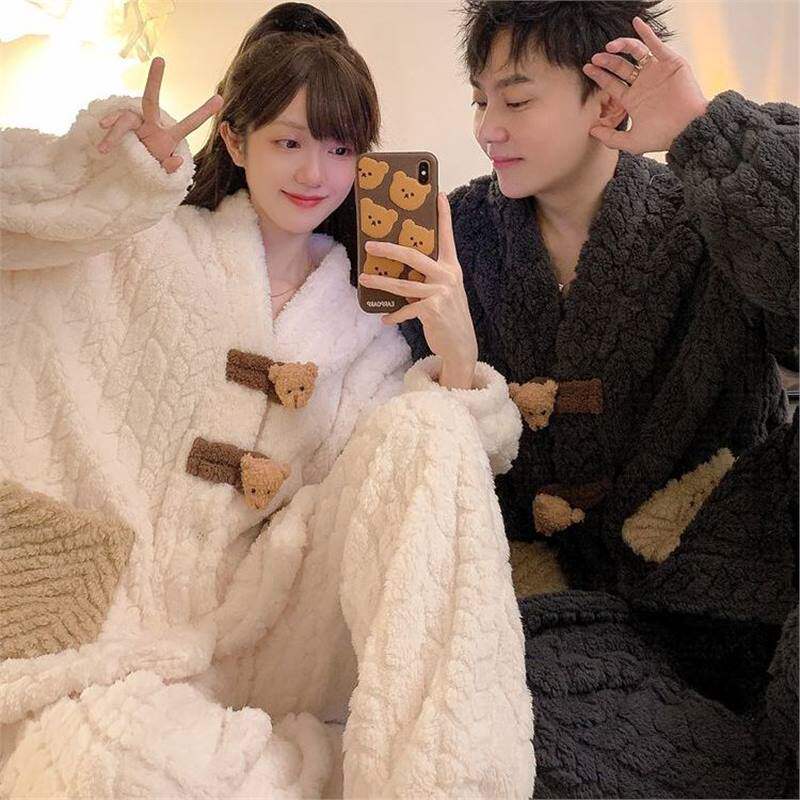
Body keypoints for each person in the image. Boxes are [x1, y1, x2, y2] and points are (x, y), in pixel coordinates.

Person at [0, 4, 534, 797]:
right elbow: (19, 238)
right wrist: (110, 181)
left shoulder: (367, 326)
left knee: (430, 426)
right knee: (96, 768)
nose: (315, 173)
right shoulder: (140, 246)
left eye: (339, 148)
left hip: (281, 630)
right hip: (134, 629)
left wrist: (455, 354)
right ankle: (290, 769)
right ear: (233, 140)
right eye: (288, 142)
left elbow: (427, 501)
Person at [366, 1, 798, 795]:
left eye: (516, 99)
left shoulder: (709, 215)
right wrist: (456, 358)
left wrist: (704, 134)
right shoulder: (460, 237)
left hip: (719, 605)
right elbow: (415, 460)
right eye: (479, 100)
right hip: (543, 616)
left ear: (606, 97)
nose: (487, 127)